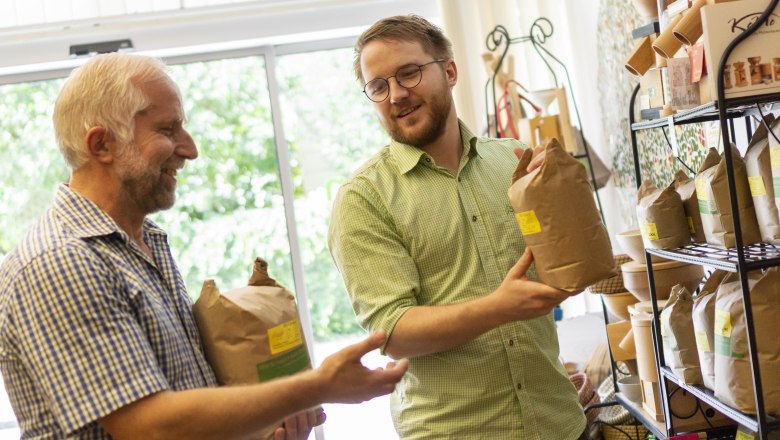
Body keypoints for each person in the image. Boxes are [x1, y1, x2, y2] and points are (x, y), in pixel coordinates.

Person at [0, 52, 408, 440]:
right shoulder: (61, 262)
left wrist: (262, 426)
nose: (190, 150)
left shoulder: (146, 243)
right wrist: (315, 386)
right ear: (101, 145)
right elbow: (150, 427)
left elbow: (184, 408)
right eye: (166, 129)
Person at [327, 15, 587, 439]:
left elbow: (561, 264)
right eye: (378, 86)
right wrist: (498, 307)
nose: (396, 94)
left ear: (449, 70)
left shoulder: (516, 161)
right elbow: (391, 331)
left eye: (409, 72)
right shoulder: (363, 199)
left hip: (559, 422)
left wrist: (567, 199)